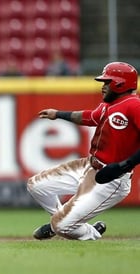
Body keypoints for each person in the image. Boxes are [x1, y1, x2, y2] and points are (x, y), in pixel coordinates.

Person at [27, 61, 140, 240]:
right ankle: (69, 223)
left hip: (111, 179)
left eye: (107, 82)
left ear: (121, 83)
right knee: (36, 186)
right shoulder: (109, 104)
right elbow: (88, 117)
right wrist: (58, 114)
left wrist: (124, 165)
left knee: (61, 226)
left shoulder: (134, 105)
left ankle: (76, 229)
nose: (103, 86)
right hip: (89, 166)